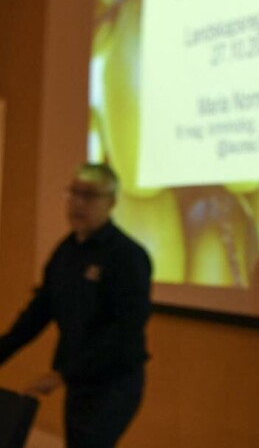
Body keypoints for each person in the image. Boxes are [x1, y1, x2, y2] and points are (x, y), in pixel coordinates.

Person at [0, 163, 152, 448]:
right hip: (79, 380)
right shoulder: (66, 252)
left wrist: (62, 374)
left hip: (114, 382)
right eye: (74, 193)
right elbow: (38, 314)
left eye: (90, 195)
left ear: (112, 201)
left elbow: (125, 332)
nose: (78, 203)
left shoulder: (127, 256)